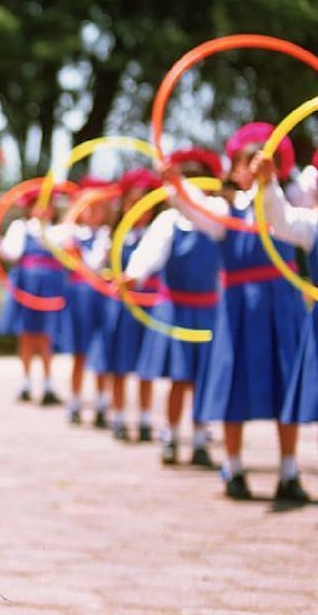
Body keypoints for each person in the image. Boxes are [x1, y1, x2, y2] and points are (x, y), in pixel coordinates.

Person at [166, 123, 307, 502]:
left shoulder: (287, 203)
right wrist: (175, 184)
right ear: (235, 168)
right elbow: (193, 207)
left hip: (281, 303)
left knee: (285, 384)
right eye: (250, 162)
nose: (257, 168)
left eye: (266, 162)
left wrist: (271, 185)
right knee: (233, 387)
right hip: (238, 308)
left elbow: (283, 216)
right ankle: (234, 466)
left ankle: (290, 470)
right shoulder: (224, 209)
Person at [125, 149, 223, 467]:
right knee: (179, 379)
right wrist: (133, 275)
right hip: (178, 310)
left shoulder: (218, 216)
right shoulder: (169, 221)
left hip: (208, 310)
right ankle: (170, 435)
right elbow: (149, 253)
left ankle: (200, 438)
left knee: (204, 378)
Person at [241, 147, 312, 502]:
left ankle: (288, 469)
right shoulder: (311, 223)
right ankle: (243, 467)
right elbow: (280, 220)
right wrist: (267, 182)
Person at [88, 168, 162, 442]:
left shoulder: (158, 233)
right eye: (133, 202)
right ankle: (118, 417)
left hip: (148, 306)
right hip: (120, 307)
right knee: (118, 364)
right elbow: (95, 267)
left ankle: (144, 419)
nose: (139, 209)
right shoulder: (113, 236)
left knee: (145, 365)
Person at [0, 190, 69, 405]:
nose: (44, 209)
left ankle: (47, 383)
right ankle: (25, 382)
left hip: (50, 289)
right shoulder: (22, 228)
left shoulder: (59, 231)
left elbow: (66, 254)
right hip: (27, 286)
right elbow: (11, 252)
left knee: (46, 335)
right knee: (26, 334)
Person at [54, 177, 111, 425]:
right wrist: (71, 215)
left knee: (100, 353)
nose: (92, 212)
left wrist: (77, 253)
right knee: (79, 353)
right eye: (87, 207)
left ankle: (101, 403)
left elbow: (94, 264)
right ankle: (75, 402)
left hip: (100, 297)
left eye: (97, 207)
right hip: (78, 299)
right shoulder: (72, 233)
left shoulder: (106, 237)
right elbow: (54, 236)